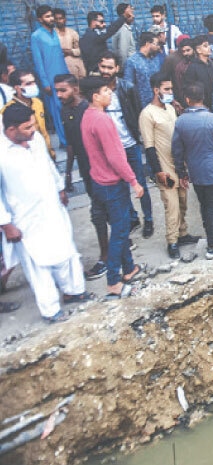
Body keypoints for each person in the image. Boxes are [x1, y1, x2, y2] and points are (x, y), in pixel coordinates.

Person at [0, 103, 92, 322]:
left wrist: (60, 187)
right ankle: (51, 311)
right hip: (25, 220)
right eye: (27, 127)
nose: (33, 130)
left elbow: (50, 166)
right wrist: (6, 224)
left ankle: (74, 291)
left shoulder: (36, 140)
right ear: (11, 130)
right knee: (37, 266)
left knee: (66, 252)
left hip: (52, 209)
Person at [80, 75, 145, 298]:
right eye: (106, 92)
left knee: (121, 227)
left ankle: (129, 268)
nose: (110, 94)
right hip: (111, 183)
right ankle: (113, 282)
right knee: (120, 231)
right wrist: (133, 180)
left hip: (98, 180)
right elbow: (116, 157)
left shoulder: (88, 116)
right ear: (96, 96)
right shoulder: (102, 120)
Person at [140, 72, 200, 259]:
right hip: (164, 168)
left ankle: (182, 234)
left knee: (182, 202)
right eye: (166, 89)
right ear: (156, 90)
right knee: (172, 206)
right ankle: (172, 241)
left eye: (171, 89)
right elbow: (149, 146)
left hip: (179, 165)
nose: (170, 92)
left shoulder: (171, 109)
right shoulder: (147, 114)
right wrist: (158, 171)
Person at [173, 82, 213, 258]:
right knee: (212, 207)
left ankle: (211, 237)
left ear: (187, 99)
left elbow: (176, 150)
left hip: (195, 171)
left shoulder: (181, 121)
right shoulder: (212, 119)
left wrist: (181, 173)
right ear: (203, 98)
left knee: (204, 205)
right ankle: (212, 245)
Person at [54, 74, 108, 280]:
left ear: (75, 88)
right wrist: (68, 172)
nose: (59, 95)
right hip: (86, 170)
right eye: (57, 90)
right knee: (103, 211)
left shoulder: (90, 110)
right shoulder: (65, 110)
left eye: (63, 90)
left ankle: (106, 256)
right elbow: (70, 144)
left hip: (99, 169)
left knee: (99, 213)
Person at [97, 52, 154, 238]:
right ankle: (132, 217)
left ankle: (149, 219)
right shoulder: (97, 91)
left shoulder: (127, 88)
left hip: (129, 144)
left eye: (109, 67)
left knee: (139, 182)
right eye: (102, 67)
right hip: (111, 149)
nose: (105, 71)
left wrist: (142, 139)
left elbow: (138, 114)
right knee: (120, 186)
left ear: (117, 69)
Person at [30, 5, 69, 148]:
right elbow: (38, 61)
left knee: (67, 110)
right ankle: (65, 142)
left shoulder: (54, 33)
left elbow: (59, 56)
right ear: (40, 19)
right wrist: (45, 82)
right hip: (50, 81)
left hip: (63, 77)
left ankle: (72, 141)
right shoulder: (36, 36)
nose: (51, 18)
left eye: (51, 15)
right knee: (57, 111)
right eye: (47, 16)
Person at [2, 70, 56, 160]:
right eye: (28, 83)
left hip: (45, 152)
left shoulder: (37, 102)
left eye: (34, 82)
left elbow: (43, 130)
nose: (33, 85)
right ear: (17, 88)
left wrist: (50, 152)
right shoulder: (8, 111)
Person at [125, 32, 165, 108]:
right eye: (156, 44)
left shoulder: (155, 59)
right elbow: (128, 86)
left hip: (158, 103)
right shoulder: (132, 61)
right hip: (141, 106)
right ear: (147, 44)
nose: (158, 47)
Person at [183, 36, 213, 109]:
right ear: (198, 50)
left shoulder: (211, 64)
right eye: (205, 46)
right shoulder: (192, 68)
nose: (209, 48)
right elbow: (188, 89)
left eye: (208, 45)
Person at [53, 8, 86, 80]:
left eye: (60, 18)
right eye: (56, 19)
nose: (58, 21)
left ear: (65, 19)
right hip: (60, 64)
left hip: (75, 64)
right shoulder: (52, 34)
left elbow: (81, 50)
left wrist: (70, 51)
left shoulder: (72, 33)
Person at [111, 3, 136, 69]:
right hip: (127, 67)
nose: (133, 16)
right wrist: (123, 69)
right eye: (131, 14)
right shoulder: (123, 29)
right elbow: (123, 53)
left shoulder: (121, 27)